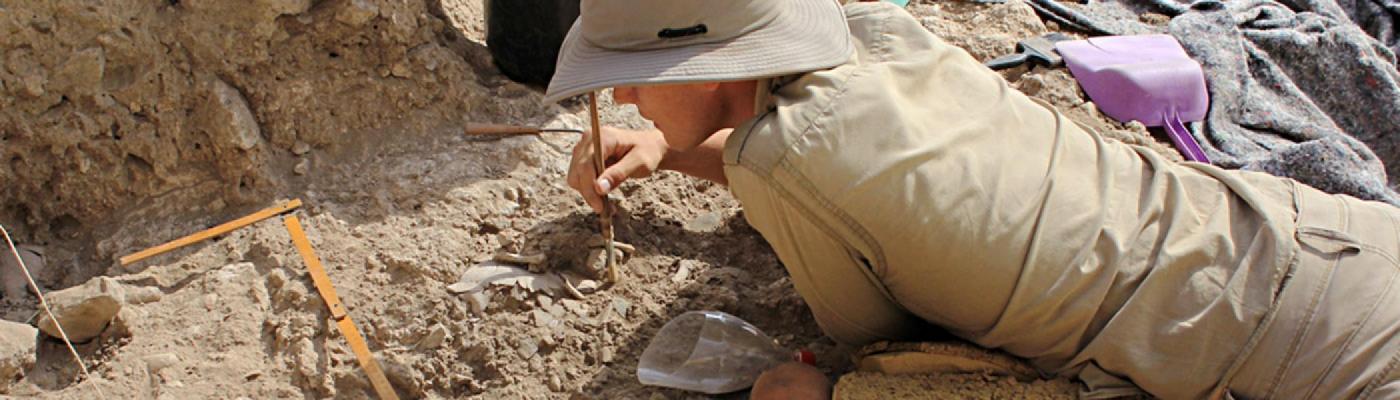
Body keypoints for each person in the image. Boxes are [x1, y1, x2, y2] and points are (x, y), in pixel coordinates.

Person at [542, 0, 1400, 398]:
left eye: (639, 80)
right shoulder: (882, 34)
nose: (624, 101)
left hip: (1305, 367)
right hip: (1330, 235)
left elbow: (881, 340)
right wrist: (674, 147)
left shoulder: (782, 164)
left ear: (712, 66)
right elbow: (858, 179)